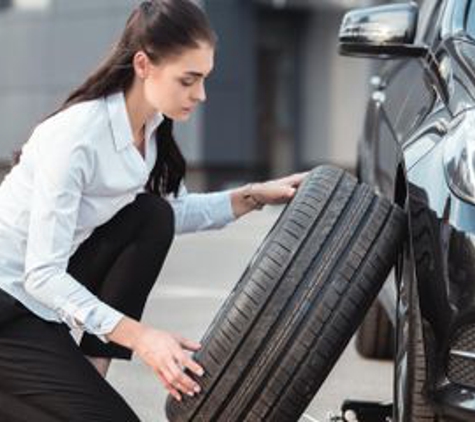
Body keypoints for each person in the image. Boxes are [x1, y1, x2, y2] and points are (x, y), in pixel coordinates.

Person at [0, 0, 306, 420]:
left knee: (151, 215)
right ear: (143, 64)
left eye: (204, 79)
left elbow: (171, 214)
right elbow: (41, 274)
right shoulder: (75, 138)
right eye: (189, 80)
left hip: (38, 304)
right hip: (9, 303)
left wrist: (253, 195)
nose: (201, 95)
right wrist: (142, 338)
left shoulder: (151, 131)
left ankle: (87, 376)